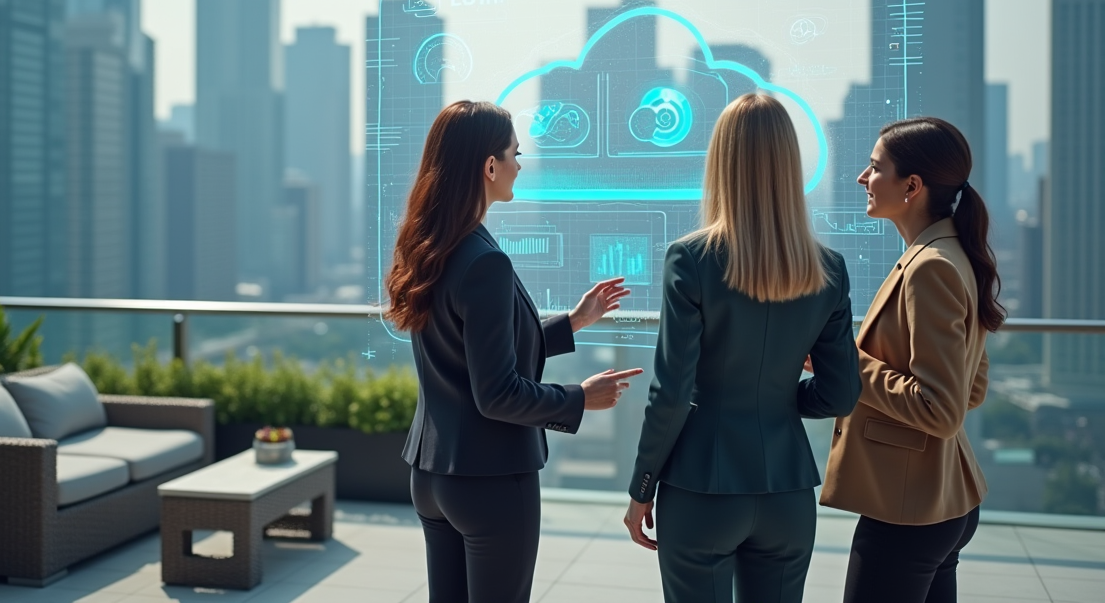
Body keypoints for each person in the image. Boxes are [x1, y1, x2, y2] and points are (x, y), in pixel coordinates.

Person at [388, 100, 643, 603]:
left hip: (433, 476)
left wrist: (573, 321)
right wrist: (578, 398)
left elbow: (473, 351)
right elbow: (496, 393)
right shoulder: (486, 262)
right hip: (491, 480)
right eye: (514, 154)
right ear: (489, 166)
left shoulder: (430, 247)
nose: (520, 165)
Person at [623, 93, 863, 603]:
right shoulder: (830, 269)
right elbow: (842, 394)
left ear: (722, 162)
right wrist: (778, 397)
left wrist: (642, 487)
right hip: (787, 492)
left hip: (700, 488)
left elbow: (671, 391)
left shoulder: (690, 258)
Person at [821, 116, 1001, 603]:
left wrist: (842, 361)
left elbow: (940, 410)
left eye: (875, 167)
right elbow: (973, 388)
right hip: (938, 503)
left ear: (913, 186)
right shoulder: (951, 254)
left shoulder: (931, 269)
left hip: (908, 514)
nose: (863, 177)